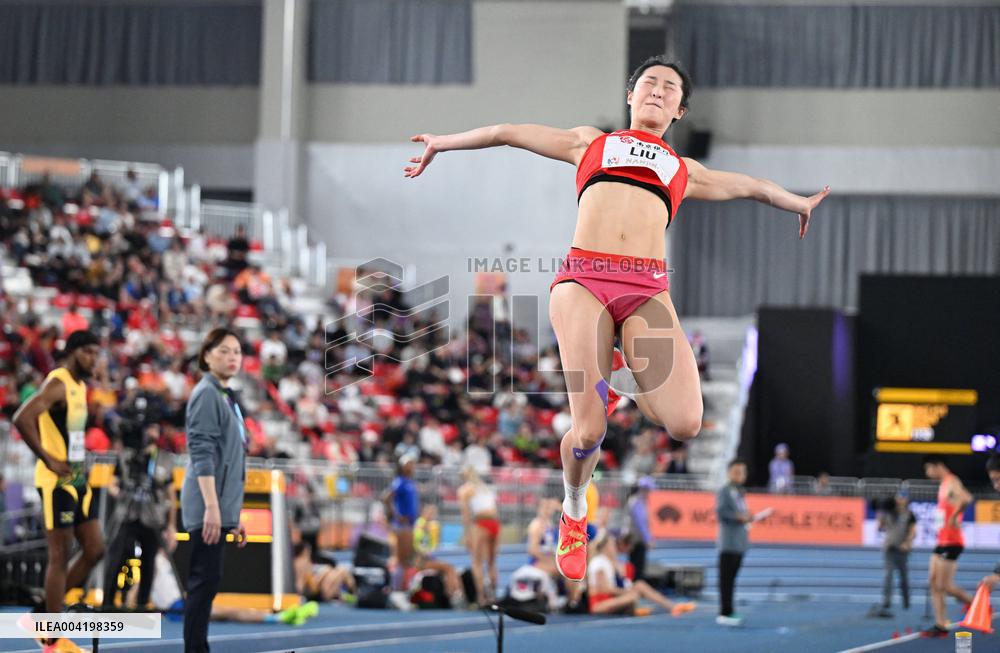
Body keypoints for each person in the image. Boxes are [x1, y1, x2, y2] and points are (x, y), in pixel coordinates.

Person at [404, 54, 830, 581]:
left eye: (669, 87)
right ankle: (575, 509)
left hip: (646, 287)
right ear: (630, 96)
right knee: (589, 429)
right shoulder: (591, 143)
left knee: (685, 423)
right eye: (648, 82)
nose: (657, 89)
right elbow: (506, 131)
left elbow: (752, 186)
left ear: (680, 108)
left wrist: (798, 203)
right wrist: (443, 143)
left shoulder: (684, 170)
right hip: (584, 280)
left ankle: (624, 374)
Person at [13, 331, 106, 624]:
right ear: (73, 351)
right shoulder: (59, 383)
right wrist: (48, 458)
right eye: (89, 352)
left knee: (94, 549)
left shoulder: (79, 386)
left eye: (97, 353)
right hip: (56, 482)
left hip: (77, 479)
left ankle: (43, 616)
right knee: (60, 556)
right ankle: (52, 635)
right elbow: (22, 418)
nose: (95, 359)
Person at [181, 328, 249, 653]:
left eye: (236, 351)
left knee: (208, 585)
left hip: (219, 507)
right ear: (206, 355)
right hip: (207, 507)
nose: (232, 356)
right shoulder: (207, 393)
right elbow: (202, 452)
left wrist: (232, 513)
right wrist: (212, 507)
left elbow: (231, 460)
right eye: (224, 350)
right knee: (202, 585)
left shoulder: (225, 395)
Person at [921, 454, 974, 638]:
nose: (927, 473)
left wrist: (954, 516)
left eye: (928, 468)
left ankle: (977, 604)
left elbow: (966, 498)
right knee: (934, 583)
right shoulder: (944, 484)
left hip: (952, 542)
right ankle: (940, 624)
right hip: (942, 541)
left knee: (945, 585)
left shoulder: (952, 481)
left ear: (937, 465)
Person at [586, 532, 696, 616]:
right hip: (599, 605)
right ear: (606, 547)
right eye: (611, 545)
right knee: (633, 595)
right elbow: (605, 589)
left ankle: (672, 606)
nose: (614, 548)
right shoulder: (599, 562)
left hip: (607, 600)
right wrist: (626, 592)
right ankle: (639, 609)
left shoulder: (608, 562)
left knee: (639, 585)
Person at [716, 459, 765, 627]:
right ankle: (724, 611)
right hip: (728, 543)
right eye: (737, 472)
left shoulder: (740, 492)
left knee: (732, 579)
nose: (741, 475)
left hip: (739, 542)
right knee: (726, 580)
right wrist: (740, 516)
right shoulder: (725, 491)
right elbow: (722, 512)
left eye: (743, 472)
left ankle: (730, 609)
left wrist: (747, 516)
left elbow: (741, 512)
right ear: (730, 472)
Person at [458, 465, 500, 602]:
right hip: (495, 523)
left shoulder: (465, 490)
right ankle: (494, 595)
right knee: (492, 563)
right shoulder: (485, 488)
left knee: (476, 562)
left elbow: (465, 515)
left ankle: (481, 597)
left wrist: (467, 535)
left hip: (481, 524)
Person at [872, 492, 916, 618]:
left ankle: (906, 601)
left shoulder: (909, 515)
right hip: (889, 547)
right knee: (888, 575)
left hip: (902, 549)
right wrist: (879, 516)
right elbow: (880, 528)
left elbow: (913, 531)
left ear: (906, 500)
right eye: (899, 498)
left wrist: (907, 543)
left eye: (903, 498)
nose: (901, 500)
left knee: (904, 577)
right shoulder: (888, 511)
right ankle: (886, 602)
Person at [383, 451, 420, 588]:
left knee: (407, 558)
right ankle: (395, 587)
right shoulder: (399, 482)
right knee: (400, 557)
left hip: (409, 524)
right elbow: (387, 497)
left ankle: (401, 586)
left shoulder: (410, 482)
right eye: (409, 464)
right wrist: (396, 515)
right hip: (402, 525)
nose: (412, 466)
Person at [626, 476, 656, 582]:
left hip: (636, 539)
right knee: (637, 567)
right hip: (636, 540)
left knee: (635, 565)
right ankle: (635, 588)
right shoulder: (637, 502)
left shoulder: (639, 501)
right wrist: (648, 540)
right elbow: (640, 524)